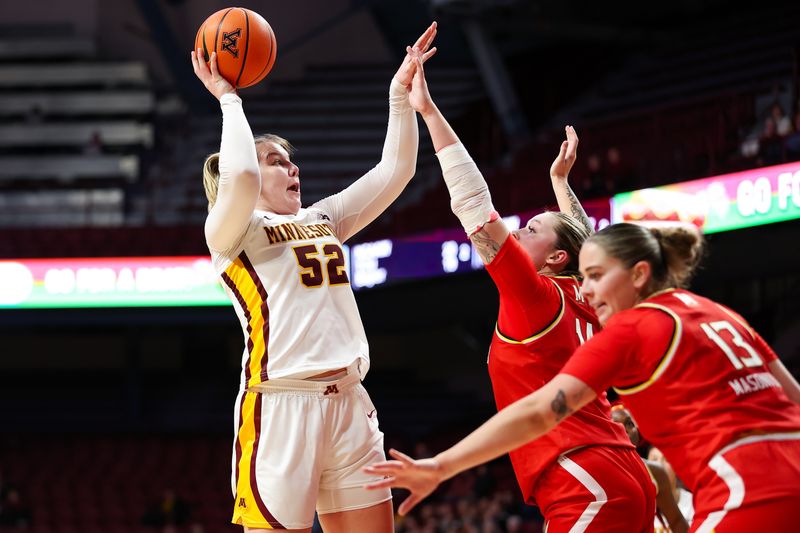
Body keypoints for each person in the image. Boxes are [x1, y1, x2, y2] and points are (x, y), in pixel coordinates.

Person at [365, 222, 800, 532]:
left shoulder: (632, 327)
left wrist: (441, 466)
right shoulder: (719, 312)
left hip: (744, 486)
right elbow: (792, 397)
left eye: (594, 277)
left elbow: (539, 411)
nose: (587, 291)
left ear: (639, 274)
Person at [389, 53, 655, 530]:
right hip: (620, 470)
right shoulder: (587, 294)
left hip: (582, 477)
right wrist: (559, 182)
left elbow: (473, 203)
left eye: (532, 229)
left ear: (555, 258)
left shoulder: (536, 297)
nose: (519, 232)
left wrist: (429, 111)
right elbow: (582, 236)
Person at [191, 22, 438, 533]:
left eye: (292, 160)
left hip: (349, 401)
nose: (292, 169)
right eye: (276, 162)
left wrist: (399, 97)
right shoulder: (231, 232)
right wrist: (228, 99)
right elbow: (239, 177)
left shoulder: (321, 218)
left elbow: (396, 172)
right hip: (281, 405)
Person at [611, 404, 690, 533]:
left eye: (629, 424)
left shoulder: (655, 472)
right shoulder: (598, 472)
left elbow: (676, 521)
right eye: (617, 425)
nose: (626, 430)